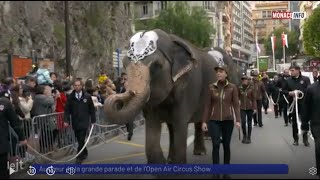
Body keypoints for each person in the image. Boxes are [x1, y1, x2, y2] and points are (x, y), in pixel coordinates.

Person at [202, 63, 241, 179]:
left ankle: (226, 171)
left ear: (226, 74)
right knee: (215, 145)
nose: (218, 73)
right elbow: (207, 106)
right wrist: (204, 121)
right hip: (214, 121)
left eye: (221, 71)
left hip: (228, 120)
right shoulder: (211, 87)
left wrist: (238, 120)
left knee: (226, 146)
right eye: (217, 71)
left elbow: (236, 105)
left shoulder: (232, 87)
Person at [64, 78, 96, 164]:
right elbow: (67, 110)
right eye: (76, 85)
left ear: (81, 86)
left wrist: (93, 119)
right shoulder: (71, 97)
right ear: (73, 86)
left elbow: (92, 109)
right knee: (79, 139)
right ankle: (84, 152)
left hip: (84, 121)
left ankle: (79, 157)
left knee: (81, 138)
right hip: (75, 121)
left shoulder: (87, 96)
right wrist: (66, 120)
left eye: (79, 85)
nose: (77, 87)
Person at [0, 84, 27, 179]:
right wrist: (22, 138)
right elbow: (15, 122)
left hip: (2, 142)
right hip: (2, 143)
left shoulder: (4, 102)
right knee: (3, 170)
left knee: (3, 169)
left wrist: (22, 137)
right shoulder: (5, 102)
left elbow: (15, 121)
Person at [282, 64, 311, 146]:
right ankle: (295, 139)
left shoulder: (305, 79)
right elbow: (283, 90)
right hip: (293, 104)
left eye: (292, 70)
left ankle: (305, 140)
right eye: (290, 71)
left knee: (305, 122)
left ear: (298, 70)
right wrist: (289, 93)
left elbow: (309, 90)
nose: (291, 72)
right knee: (294, 122)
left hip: (304, 103)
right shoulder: (288, 80)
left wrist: (300, 92)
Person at [302, 75, 320, 177]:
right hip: (317, 123)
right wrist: (304, 124)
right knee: (319, 147)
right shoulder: (312, 89)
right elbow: (306, 107)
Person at [238, 75, 256, 144]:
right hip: (242, 107)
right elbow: (237, 97)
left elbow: (254, 99)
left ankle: (249, 137)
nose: (244, 81)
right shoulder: (239, 88)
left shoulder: (251, 88)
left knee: (249, 122)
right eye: (243, 79)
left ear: (248, 80)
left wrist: (254, 107)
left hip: (250, 107)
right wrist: (238, 101)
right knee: (243, 122)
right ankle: (244, 136)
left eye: (246, 79)